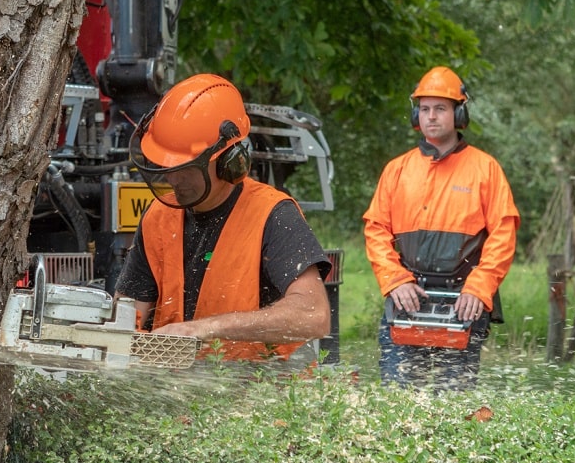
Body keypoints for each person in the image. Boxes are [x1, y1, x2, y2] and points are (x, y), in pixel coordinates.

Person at [115, 73, 331, 362]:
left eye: (185, 167)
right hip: (176, 390)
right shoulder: (159, 217)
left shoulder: (273, 214)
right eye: (166, 165)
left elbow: (313, 315)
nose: (172, 178)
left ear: (229, 162)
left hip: (259, 389)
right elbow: (128, 314)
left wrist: (205, 329)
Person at [363, 66, 519, 390]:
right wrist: (394, 281)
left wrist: (480, 286)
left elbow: (503, 233)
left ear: (458, 113)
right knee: (398, 398)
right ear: (415, 114)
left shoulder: (485, 169)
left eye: (440, 108)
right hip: (408, 296)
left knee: (453, 400)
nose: (431, 116)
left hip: (463, 300)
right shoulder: (397, 170)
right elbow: (376, 229)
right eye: (424, 109)